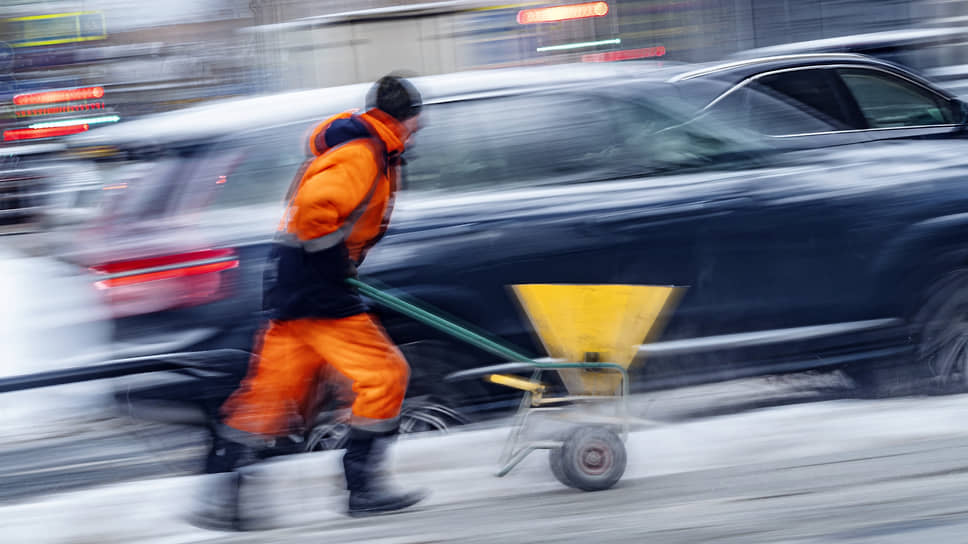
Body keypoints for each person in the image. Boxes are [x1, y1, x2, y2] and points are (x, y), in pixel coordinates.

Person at [196, 74, 425, 530]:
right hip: (319, 291)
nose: (419, 130)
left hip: (292, 285)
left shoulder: (365, 147)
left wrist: (336, 264)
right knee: (384, 376)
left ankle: (224, 495)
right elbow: (316, 210)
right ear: (404, 119)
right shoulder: (364, 153)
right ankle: (364, 487)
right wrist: (335, 267)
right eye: (417, 121)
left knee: (271, 394)